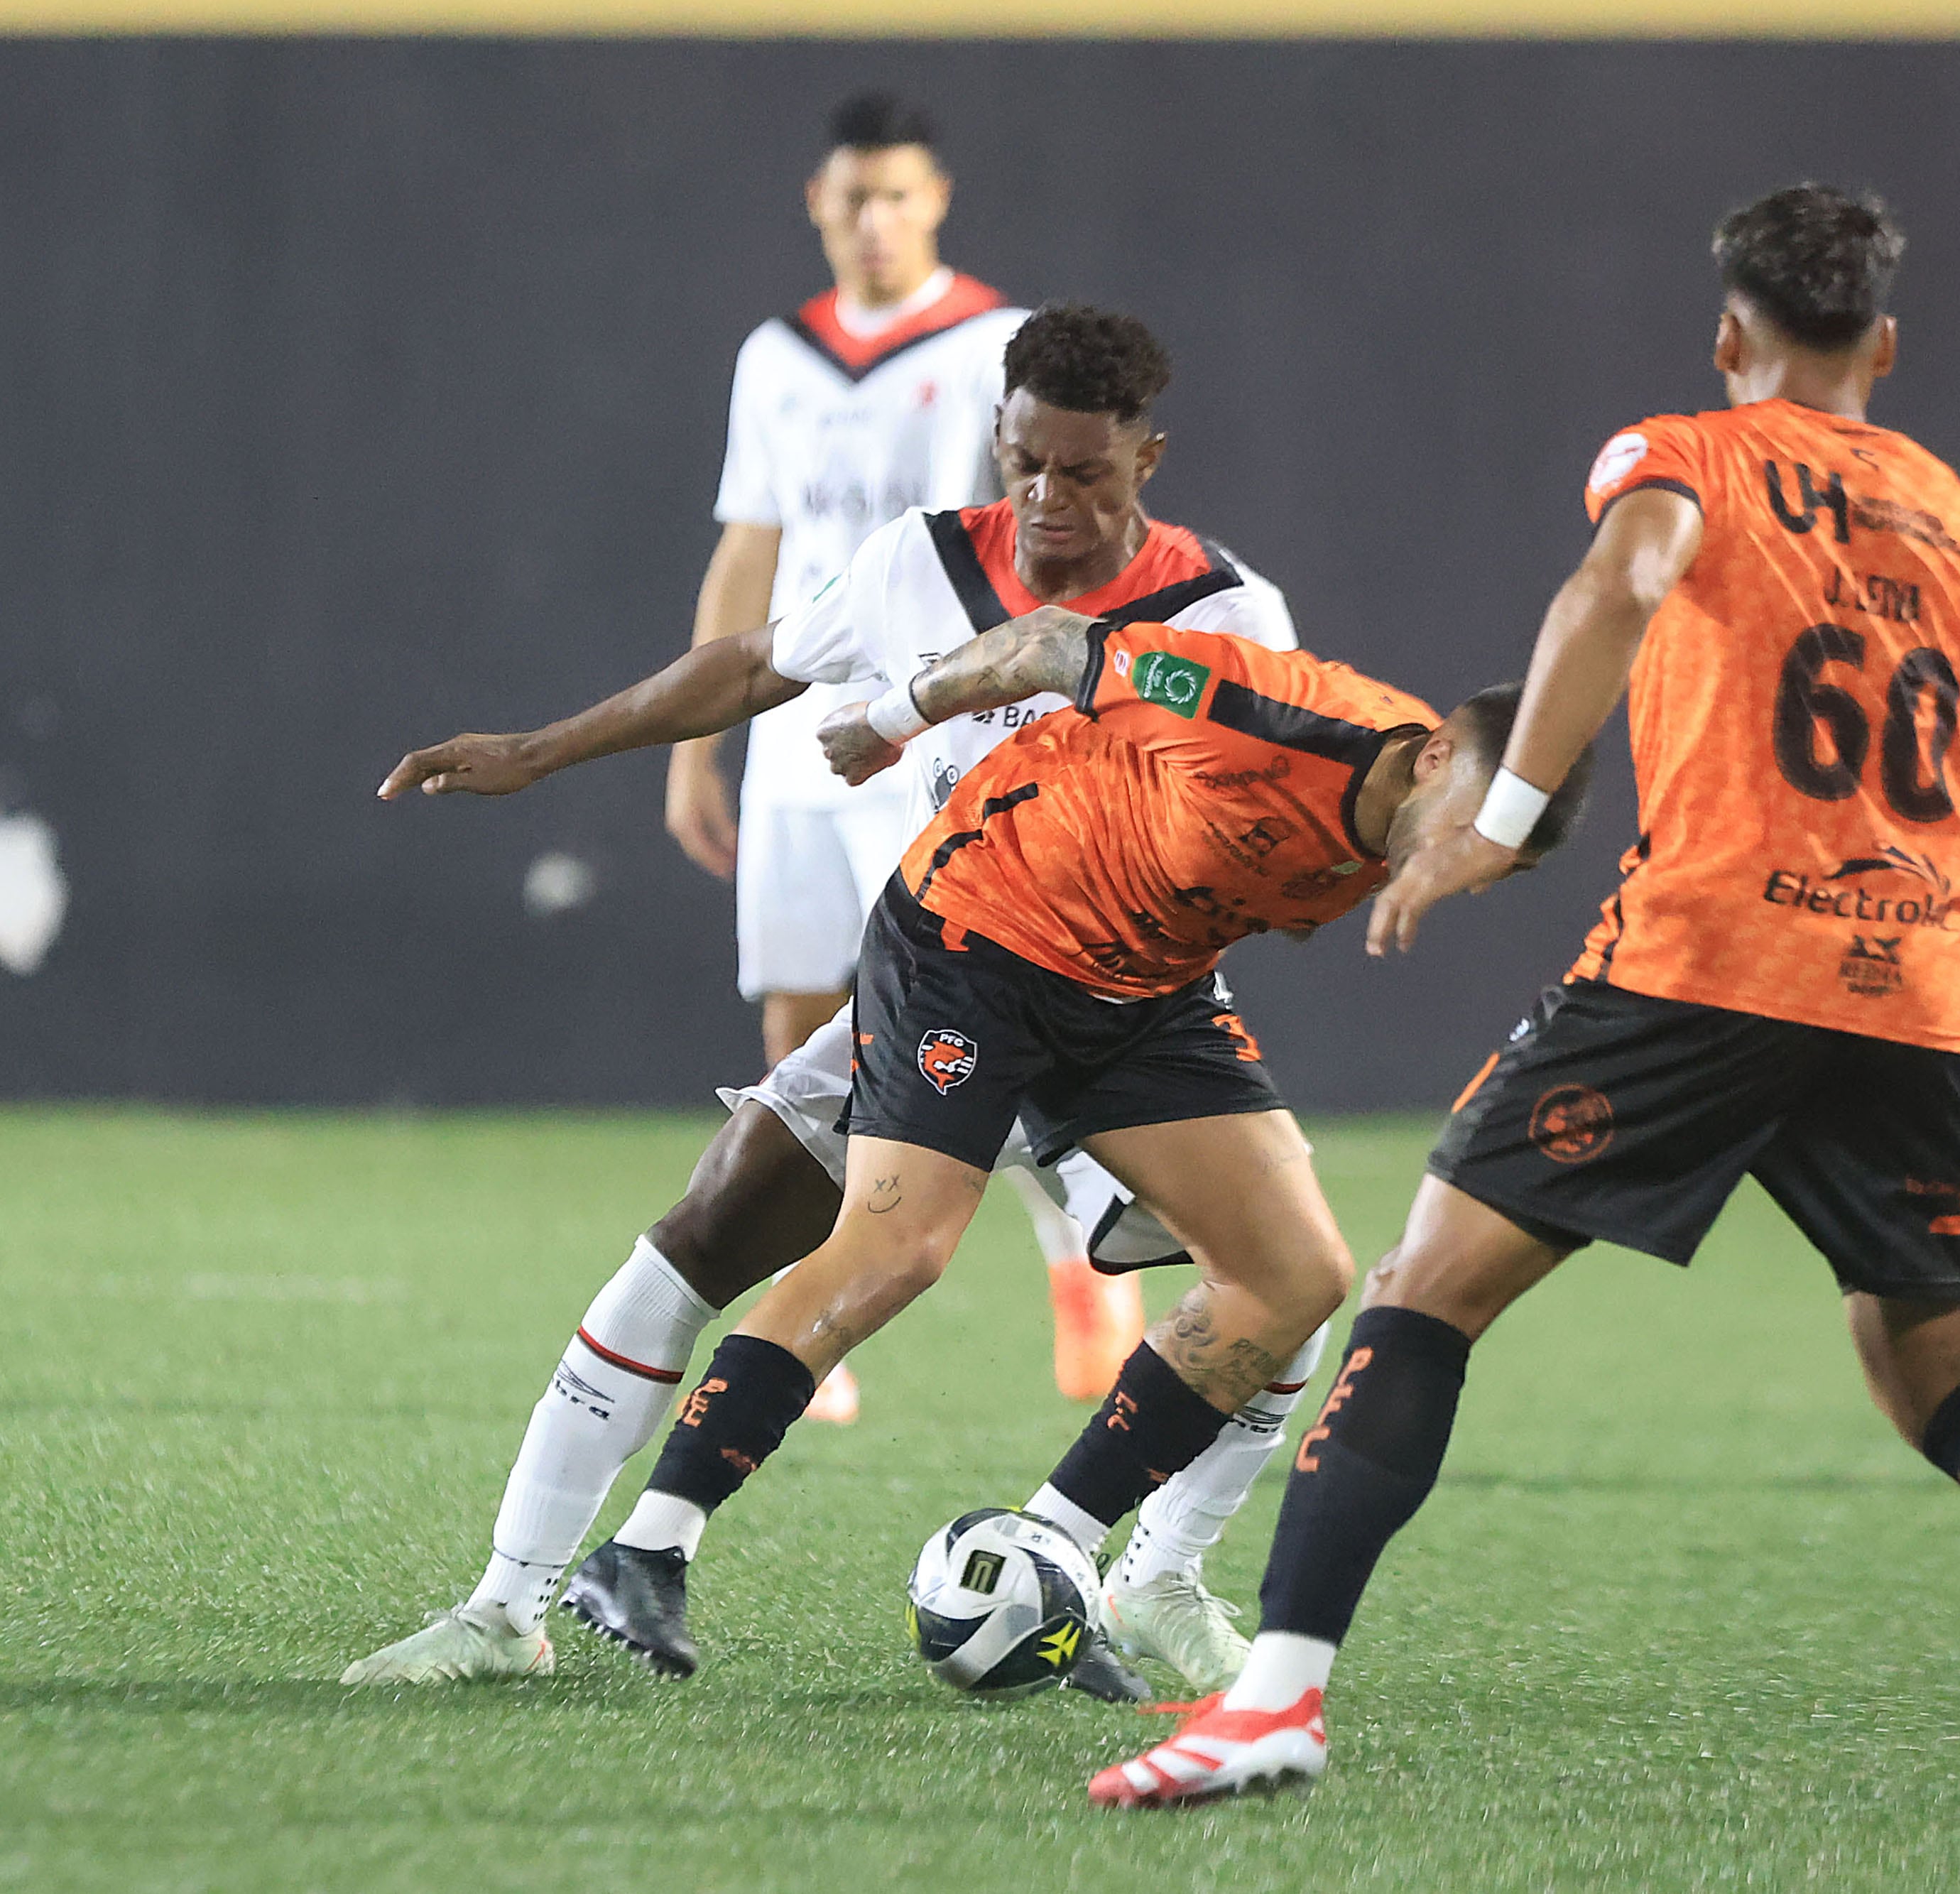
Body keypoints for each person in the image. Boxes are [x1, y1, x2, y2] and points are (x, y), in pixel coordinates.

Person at [1094, 183, 1960, 1822]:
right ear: (1883, 343)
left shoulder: (1685, 454)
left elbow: (1615, 586)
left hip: (1703, 965)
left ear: (1729, 336)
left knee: (1423, 1295)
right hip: (1900, 988)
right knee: (1950, 1382)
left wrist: (1496, 825)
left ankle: (1275, 1698)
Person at [344, 307, 1325, 1694]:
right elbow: (748, 666)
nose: (1048, 498)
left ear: (1147, 459)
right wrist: (541, 748)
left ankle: (1156, 1570)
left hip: (1124, 1003)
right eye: (1026, 461)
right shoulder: (916, 560)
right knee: (701, 1235)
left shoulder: (1227, 609)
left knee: (1291, 1282)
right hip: (948, 978)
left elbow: (1275, 799)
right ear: (1000, 436)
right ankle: (510, 1604)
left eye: (1086, 474)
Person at [466, 602, 1591, 1683]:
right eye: (1486, 828)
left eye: (1513, 860)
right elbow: (1056, 647)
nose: (1482, 863)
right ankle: (647, 1549)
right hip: (979, 933)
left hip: (1142, 989)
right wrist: (897, 713)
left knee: (1295, 1278)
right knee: (898, 1246)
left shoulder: (1410, 836)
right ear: (1436, 756)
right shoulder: (1277, 709)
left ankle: (1048, 1557)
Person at [672, 89, 1139, 1412]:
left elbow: (1037, 538)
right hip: (795, 739)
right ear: (818, 206)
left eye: (896, 195)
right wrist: (692, 749)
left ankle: (1089, 1259)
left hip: (932, 730)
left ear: (934, 202)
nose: (873, 219)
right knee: (799, 1021)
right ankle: (806, 1301)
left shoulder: (993, 342)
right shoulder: (779, 356)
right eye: (850, 196)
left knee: (989, 1010)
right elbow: (749, 543)